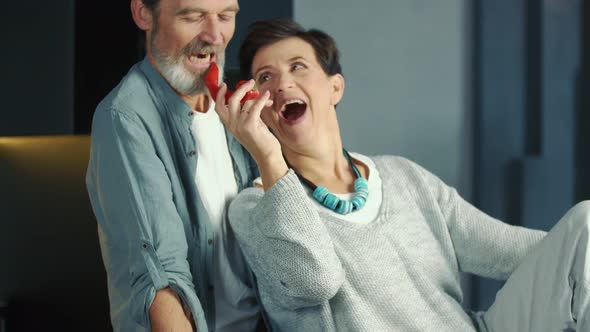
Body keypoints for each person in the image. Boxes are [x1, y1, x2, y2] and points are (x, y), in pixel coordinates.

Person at [215, 18, 590, 331]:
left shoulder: (401, 176)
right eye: (264, 78)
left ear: (334, 88)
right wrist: (265, 152)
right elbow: (315, 279)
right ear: (258, 107)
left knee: (585, 225)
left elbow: (515, 251)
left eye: (298, 67)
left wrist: (575, 262)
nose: (281, 85)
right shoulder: (255, 207)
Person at [85, 0, 266, 331]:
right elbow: (160, 274)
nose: (215, 35)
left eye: (226, 16)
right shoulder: (124, 117)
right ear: (143, 13)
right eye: (192, 16)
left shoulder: (245, 102)